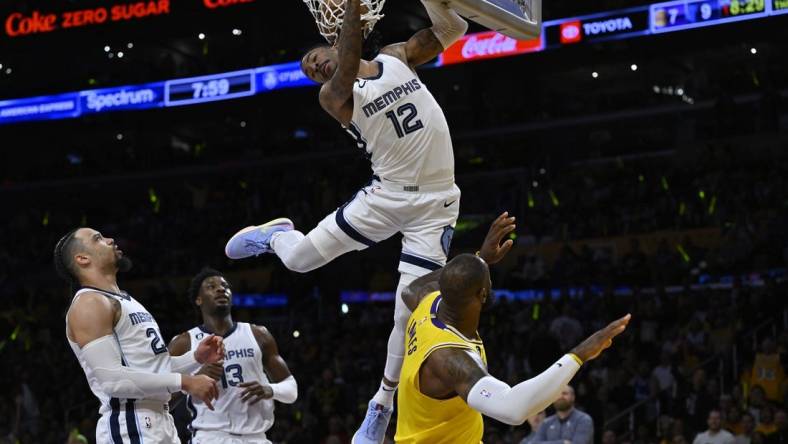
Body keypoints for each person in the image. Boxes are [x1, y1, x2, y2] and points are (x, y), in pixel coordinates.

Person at [225, 2, 469, 440]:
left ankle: (381, 404)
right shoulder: (334, 96)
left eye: (313, 58)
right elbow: (349, 57)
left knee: (405, 312)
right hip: (387, 196)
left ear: (329, 43)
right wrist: (351, 9)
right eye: (308, 70)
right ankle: (277, 236)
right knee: (297, 260)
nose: (312, 67)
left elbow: (453, 27)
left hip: (436, 205)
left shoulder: (396, 57)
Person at [393, 221, 631, 442]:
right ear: (482, 295)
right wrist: (580, 354)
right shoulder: (450, 358)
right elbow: (513, 409)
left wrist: (481, 260)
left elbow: (410, 290)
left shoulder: (429, 302)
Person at [53, 228, 223, 443]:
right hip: (130, 424)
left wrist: (195, 358)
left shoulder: (126, 300)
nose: (110, 239)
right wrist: (186, 382)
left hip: (158, 421)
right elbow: (112, 380)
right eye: (98, 239)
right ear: (82, 258)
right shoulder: (90, 303)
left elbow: (151, 368)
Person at [168, 268, 298, 443]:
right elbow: (162, 400)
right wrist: (192, 382)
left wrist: (270, 389)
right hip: (210, 437)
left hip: (256, 438)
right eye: (211, 286)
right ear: (198, 300)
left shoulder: (258, 334)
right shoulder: (184, 343)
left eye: (225, 286)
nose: (221, 289)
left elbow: (292, 389)